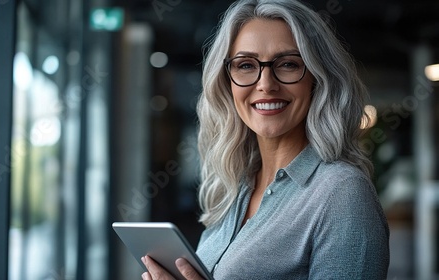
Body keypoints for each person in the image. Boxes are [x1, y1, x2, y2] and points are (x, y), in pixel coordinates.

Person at [141, 0, 390, 279]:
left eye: (288, 64)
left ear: (318, 79)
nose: (266, 84)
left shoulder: (342, 192)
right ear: (227, 82)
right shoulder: (237, 186)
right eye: (246, 65)